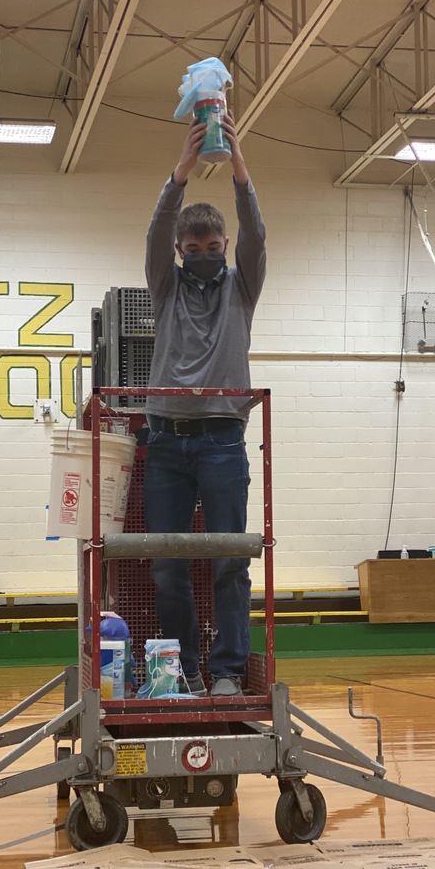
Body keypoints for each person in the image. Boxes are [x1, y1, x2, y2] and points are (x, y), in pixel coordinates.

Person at [143, 108, 266, 698]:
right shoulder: (164, 287)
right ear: (178, 250)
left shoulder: (241, 287)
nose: (204, 254)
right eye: (193, 247)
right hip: (165, 441)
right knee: (167, 565)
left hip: (222, 439)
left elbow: (257, 234)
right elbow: (155, 228)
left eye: (213, 246)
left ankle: (225, 671)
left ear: (224, 247)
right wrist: (183, 169)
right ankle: (183, 666)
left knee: (230, 561)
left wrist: (238, 165)